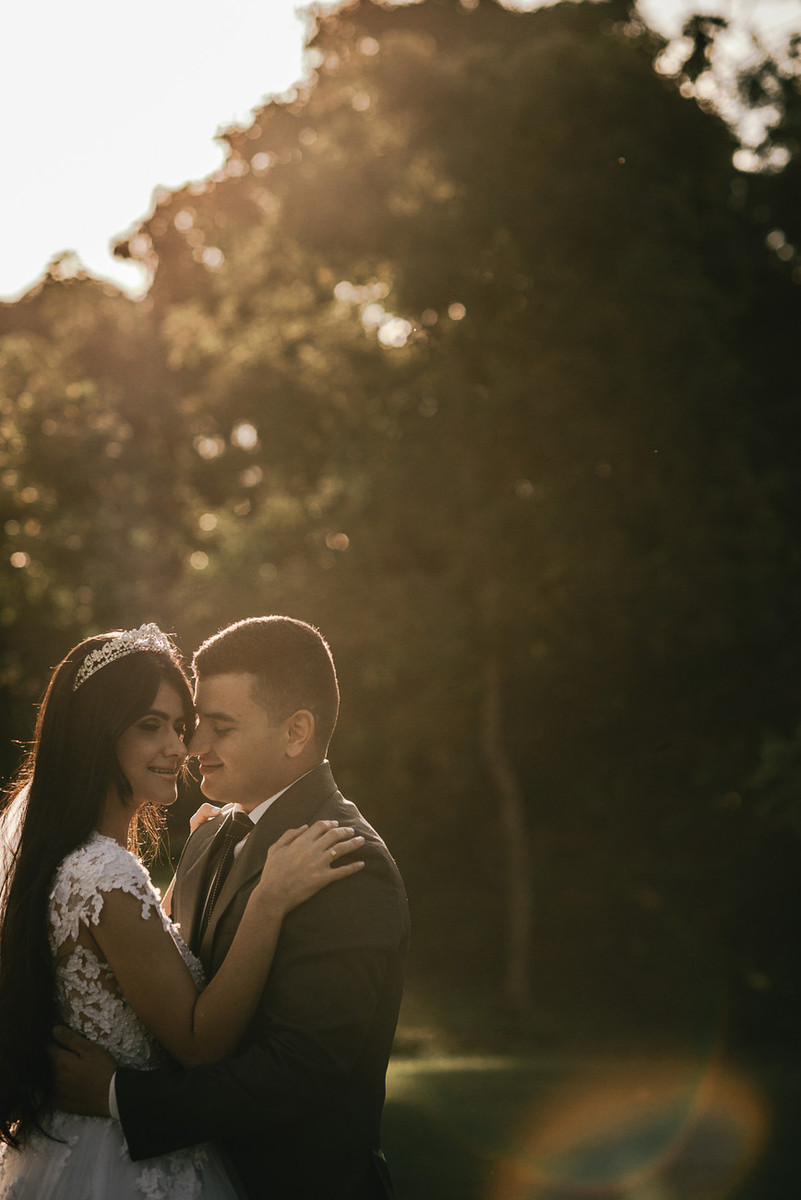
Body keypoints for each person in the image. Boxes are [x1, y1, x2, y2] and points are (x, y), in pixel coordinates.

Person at [52, 615, 411, 1200]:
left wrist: (119, 1097)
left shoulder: (344, 862)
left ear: (296, 732)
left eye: (219, 727)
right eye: (195, 725)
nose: (193, 748)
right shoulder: (209, 834)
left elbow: (299, 1073)